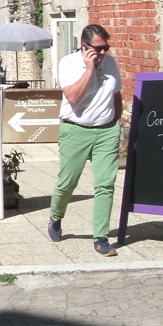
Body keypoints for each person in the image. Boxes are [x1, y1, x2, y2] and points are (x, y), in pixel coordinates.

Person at [47, 24, 123, 257]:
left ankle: (101, 237)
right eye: (98, 49)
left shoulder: (110, 63)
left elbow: (116, 94)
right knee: (68, 182)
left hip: (106, 131)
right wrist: (90, 68)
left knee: (105, 185)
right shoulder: (68, 63)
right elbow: (72, 96)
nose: (102, 53)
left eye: (105, 49)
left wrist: (115, 123)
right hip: (76, 130)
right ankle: (55, 218)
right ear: (85, 46)